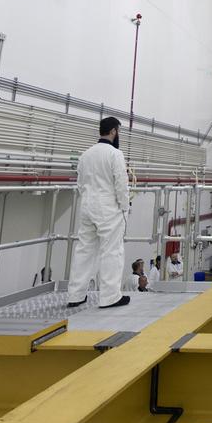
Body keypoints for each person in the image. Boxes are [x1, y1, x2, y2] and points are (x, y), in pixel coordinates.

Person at [67, 117, 131, 309]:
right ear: (113, 131)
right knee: (111, 251)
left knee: (84, 250)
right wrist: (125, 207)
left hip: (87, 206)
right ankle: (110, 297)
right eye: (118, 131)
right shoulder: (115, 154)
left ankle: (75, 295)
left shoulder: (86, 155)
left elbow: (80, 183)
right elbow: (121, 184)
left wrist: (89, 198)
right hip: (109, 208)